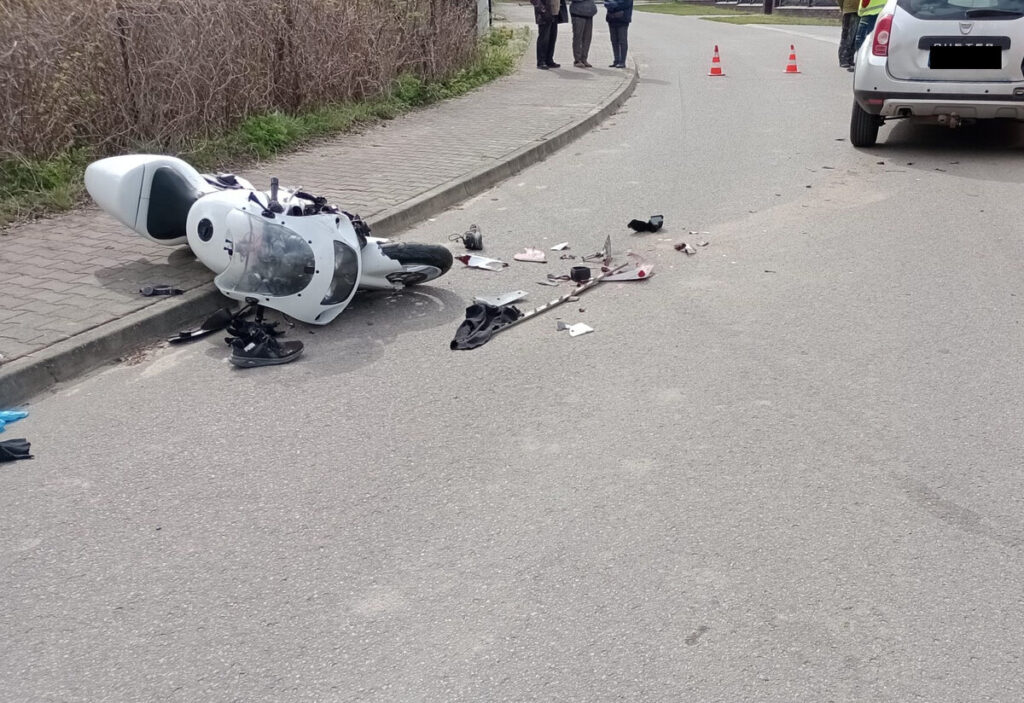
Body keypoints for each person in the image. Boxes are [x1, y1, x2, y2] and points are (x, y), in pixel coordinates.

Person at [531, 0, 564, 69]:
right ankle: (541, 62)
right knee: (543, 39)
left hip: (554, 13)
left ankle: (549, 60)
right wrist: (543, 10)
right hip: (544, 14)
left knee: (552, 38)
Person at [603, 0, 633, 68]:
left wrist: (613, 5)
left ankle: (622, 62)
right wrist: (611, 4)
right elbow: (606, 2)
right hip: (611, 18)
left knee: (622, 41)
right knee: (614, 40)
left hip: (622, 19)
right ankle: (616, 60)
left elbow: (626, 3)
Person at [569, 0, 598, 68]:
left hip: (589, 14)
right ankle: (577, 60)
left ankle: (584, 59)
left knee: (587, 38)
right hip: (577, 13)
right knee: (578, 37)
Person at [837, 0, 858, 69]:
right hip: (849, 10)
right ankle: (843, 58)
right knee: (847, 36)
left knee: (854, 36)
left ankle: (850, 58)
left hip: (860, 11)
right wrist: (843, 8)